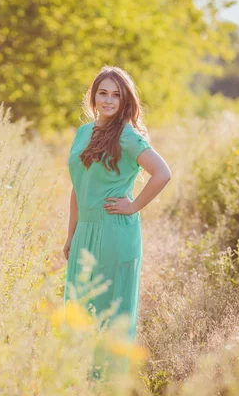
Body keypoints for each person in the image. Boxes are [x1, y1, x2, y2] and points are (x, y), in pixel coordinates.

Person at [62, 66, 172, 380]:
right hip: (86, 231)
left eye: (116, 94)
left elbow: (162, 173)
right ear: (93, 97)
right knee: (82, 310)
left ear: (125, 101)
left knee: (107, 311)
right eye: (103, 93)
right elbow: (78, 186)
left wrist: (134, 204)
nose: (109, 100)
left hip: (113, 231)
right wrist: (71, 235)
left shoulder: (126, 135)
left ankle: (107, 384)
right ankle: (83, 381)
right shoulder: (83, 133)